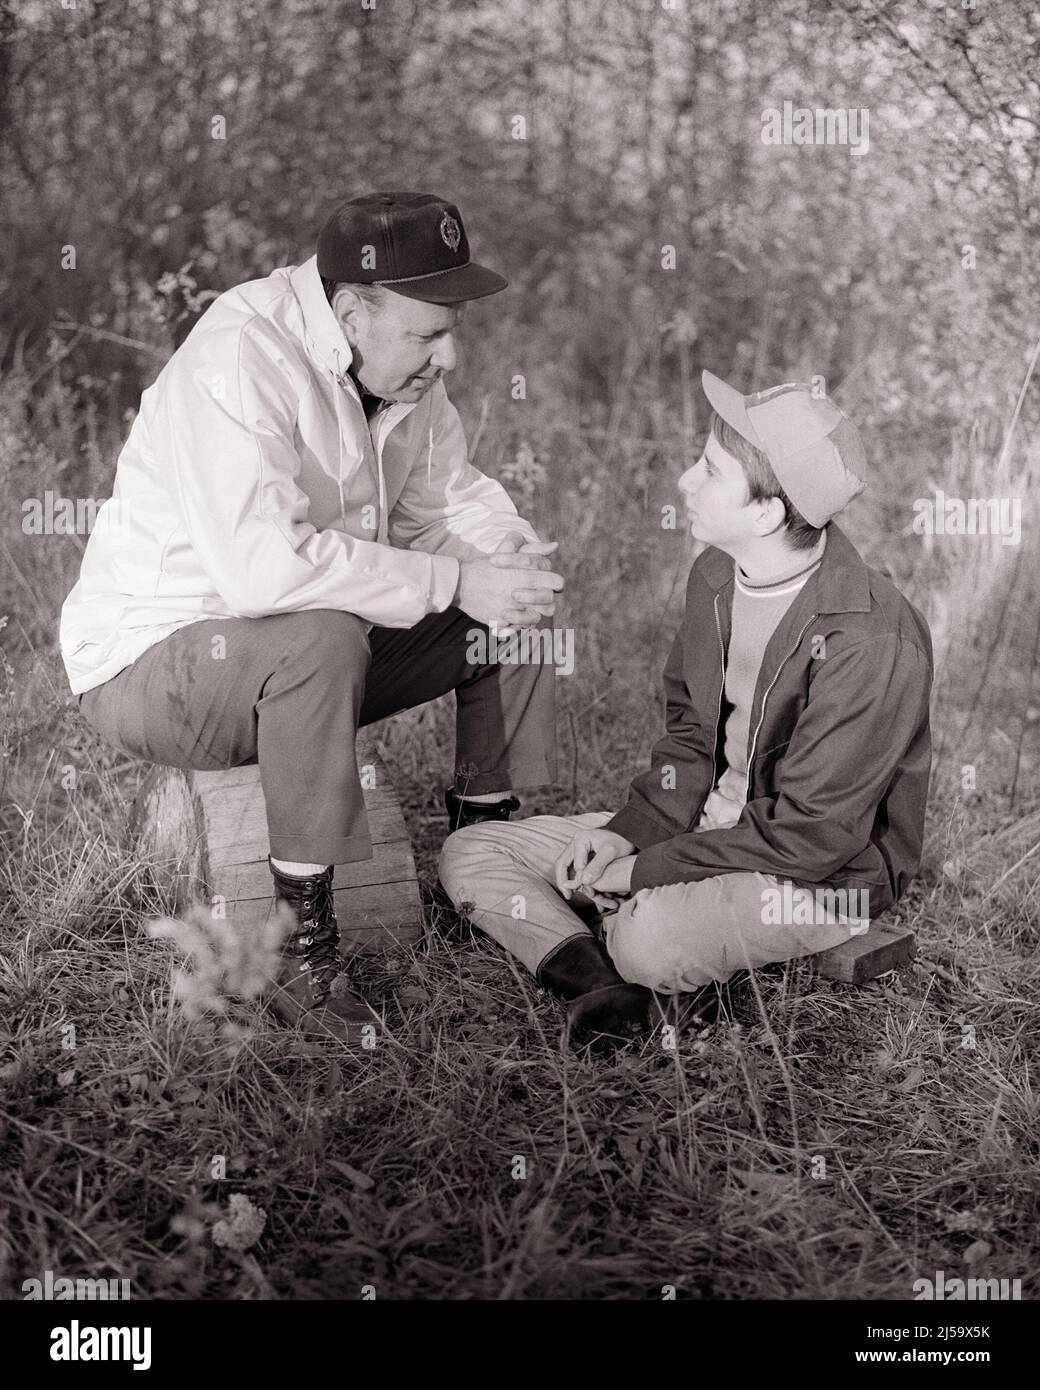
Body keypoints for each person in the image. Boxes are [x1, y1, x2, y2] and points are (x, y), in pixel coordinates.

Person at [60, 191, 564, 1043]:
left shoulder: (404, 374)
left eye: (452, 328)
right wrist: (448, 580)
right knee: (321, 635)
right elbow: (263, 570)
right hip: (155, 665)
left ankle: (486, 852)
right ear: (349, 310)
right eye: (428, 332)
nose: (451, 354)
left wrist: (502, 555)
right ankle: (300, 941)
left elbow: (446, 504)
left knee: (518, 603)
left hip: (306, 651)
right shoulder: (238, 360)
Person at [439, 370, 933, 1053]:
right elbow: (688, 742)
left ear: (765, 512)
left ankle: (630, 943)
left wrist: (644, 871)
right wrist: (625, 836)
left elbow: (812, 840)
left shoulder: (871, 638)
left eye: (708, 470)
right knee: (473, 849)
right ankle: (600, 987)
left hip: (819, 880)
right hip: (708, 832)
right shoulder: (713, 579)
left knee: (650, 935)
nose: (683, 481)